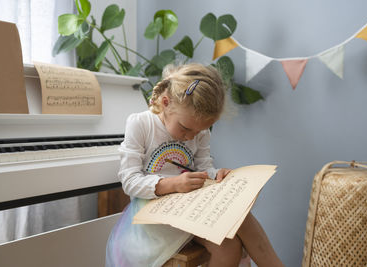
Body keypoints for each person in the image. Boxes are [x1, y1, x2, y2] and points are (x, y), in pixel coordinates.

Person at [105, 63, 284, 267]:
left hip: (191, 207)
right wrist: (173, 184)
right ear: (165, 102)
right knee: (240, 219)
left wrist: (217, 175)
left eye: (198, 132)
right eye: (185, 128)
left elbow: (202, 167)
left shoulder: (199, 130)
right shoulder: (141, 124)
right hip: (153, 212)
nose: (190, 137)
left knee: (229, 246)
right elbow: (129, 181)